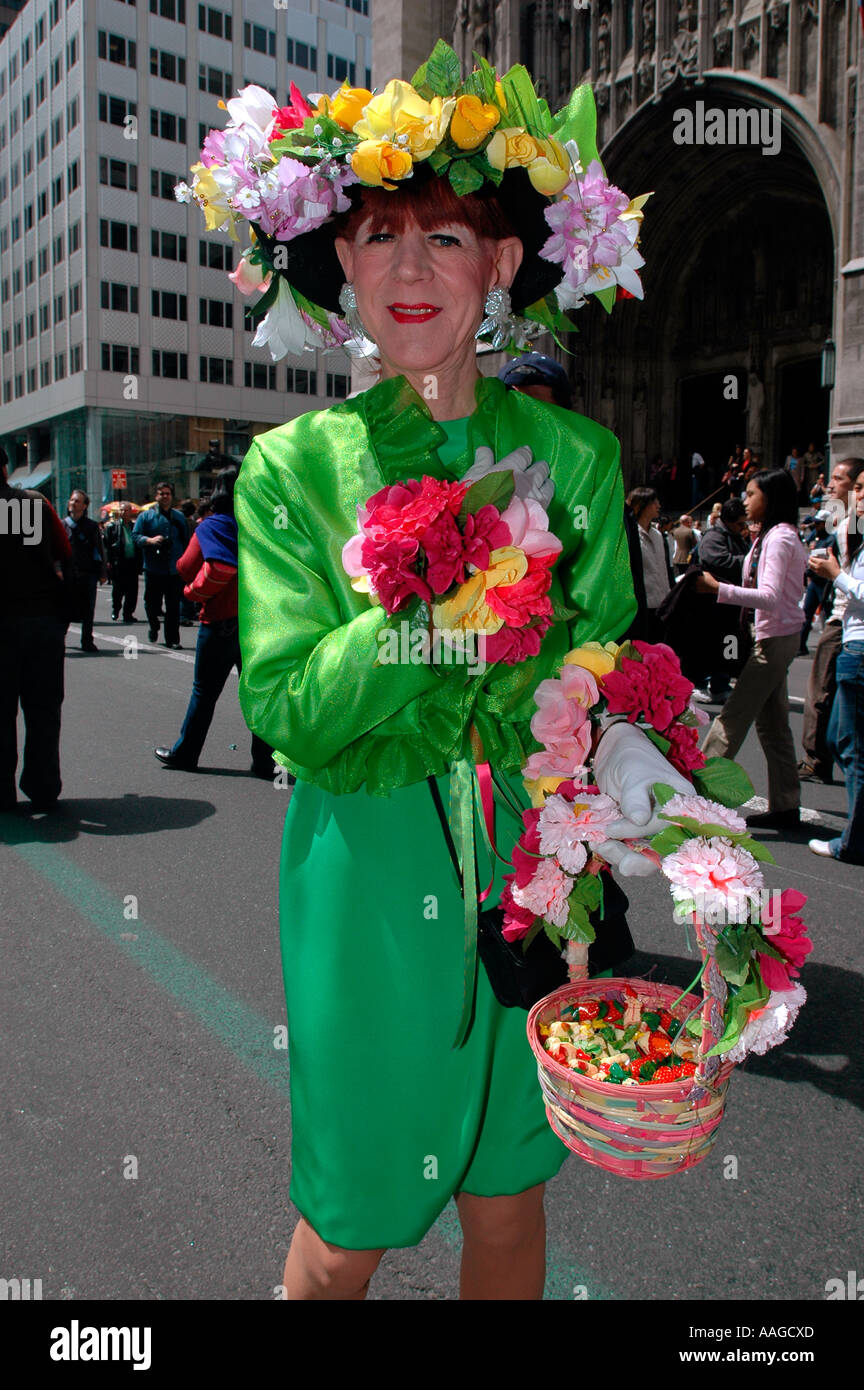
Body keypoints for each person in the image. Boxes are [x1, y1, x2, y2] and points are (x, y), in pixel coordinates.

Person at [182, 53, 671, 1300]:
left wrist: (650, 787)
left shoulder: (578, 456)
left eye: (445, 235)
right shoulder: (292, 469)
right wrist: (443, 618)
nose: (409, 266)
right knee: (347, 1227)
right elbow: (288, 702)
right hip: (366, 880)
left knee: (508, 1201)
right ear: (338, 262)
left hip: (533, 875)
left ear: (501, 266)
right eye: (378, 232)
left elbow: (612, 665)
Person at [695, 469, 808, 828]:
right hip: (774, 636)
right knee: (773, 725)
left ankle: (693, 796)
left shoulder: (779, 539)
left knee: (732, 718)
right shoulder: (772, 536)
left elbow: (770, 598)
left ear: (769, 498)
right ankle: (786, 805)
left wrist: (718, 589)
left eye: (751, 493)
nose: (745, 500)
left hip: (773, 639)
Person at [153, 466, 276, 777]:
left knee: (204, 694)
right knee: (257, 694)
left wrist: (192, 591)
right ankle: (263, 761)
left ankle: (185, 754)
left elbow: (215, 568)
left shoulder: (213, 526)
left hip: (221, 624)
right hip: (257, 624)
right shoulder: (260, 525)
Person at [0, 447, 72, 811]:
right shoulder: (31, 503)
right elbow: (63, 553)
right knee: (43, 709)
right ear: (6, 468)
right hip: (42, 620)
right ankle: (43, 787)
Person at [807, 469, 864, 862]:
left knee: (851, 744)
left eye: (858, 486)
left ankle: (853, 842)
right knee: (845, 740)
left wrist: (836, 576)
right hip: (850, 638)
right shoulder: (848, 525)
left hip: (857, 647)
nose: (851, 492)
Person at [799, 458, 864, 783]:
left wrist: (832, 572)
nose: (830, 485)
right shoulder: (846, 521)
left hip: (845, 619)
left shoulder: (854, 523)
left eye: (839, 480)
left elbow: (850, 574)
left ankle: (815, 758)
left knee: (820, 692)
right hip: (844, 616)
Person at [691, 497, 750, 703]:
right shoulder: (714, 536)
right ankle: (698, 683)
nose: (743, 527)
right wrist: (747, 561)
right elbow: (716, 561)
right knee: (708, 645)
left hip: (731, 604)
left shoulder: (736, 537)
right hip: (713, 604)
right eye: (740, 523)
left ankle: (721, 683)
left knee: (729, 647)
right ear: (729, 520)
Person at [133, 481, 189, 648]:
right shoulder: (146, 517)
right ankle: (154, 625)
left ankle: (172, 639)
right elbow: (135, 536)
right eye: (161, 493)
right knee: (152, 603)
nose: (165, 496)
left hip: (173, 569)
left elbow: (185, 541)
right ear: (156, 496)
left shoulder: (179, 518)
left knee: (173, 606)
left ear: (172, 496)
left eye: (168, 493)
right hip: (153, 568)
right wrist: (149, 540)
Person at [62, 489, 106, 653]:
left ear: (85, 505)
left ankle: (87, 641)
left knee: (88, 609)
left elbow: (99, 550)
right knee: (65, 609)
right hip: (68, 574)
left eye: (77, 501)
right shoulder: (62, 524)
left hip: (88, 573)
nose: (73, 503)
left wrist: (102, 573)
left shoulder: (92, 526)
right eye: (72, 500)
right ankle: (61, 639)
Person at [626, 486, 671, 640]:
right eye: (654, 502)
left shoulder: (658, 535)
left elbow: (664, 568)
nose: (658, 505)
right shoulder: (630, 535)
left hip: (663, 603)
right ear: (642, 505)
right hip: (643, 605)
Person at [798, 509, 832, 655]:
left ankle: (830, 647)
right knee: (807, 613)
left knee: (828, 613)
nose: (816, 526)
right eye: (816, 523)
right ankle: (801, 645)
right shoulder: (816, 537)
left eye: (819, 523)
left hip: (825, 582)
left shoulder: (832, 539)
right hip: (814, 581)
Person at [104, 502, 142, 623]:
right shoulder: (112, 527)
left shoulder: (135, 527)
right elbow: (107, 546)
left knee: (132, 591)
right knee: (118, 590)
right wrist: (109, 561)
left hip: (132, 563)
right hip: (118, 563)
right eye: (121, 510)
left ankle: (128, 613)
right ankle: (116, 609)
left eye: (126, 510)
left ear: (130, 512)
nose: (123, 512)